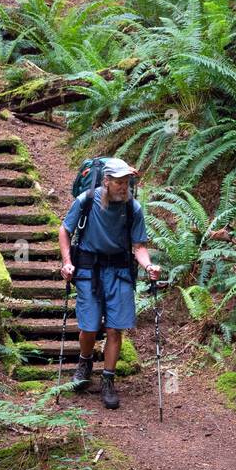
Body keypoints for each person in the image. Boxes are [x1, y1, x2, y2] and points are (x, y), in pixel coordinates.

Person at [58, 156, 160, 410]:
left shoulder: (132, 208)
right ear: (106, 182)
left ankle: (108, 380)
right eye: (118, 182)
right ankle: (85, 362)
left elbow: (139, 246)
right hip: (89, 271)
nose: (123, 187)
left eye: (126, 182)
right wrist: (67, 262)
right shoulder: (87, 201)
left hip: (120, 271)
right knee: (90, 326)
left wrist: (148, 266)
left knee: (115, 329)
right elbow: (65, 230)